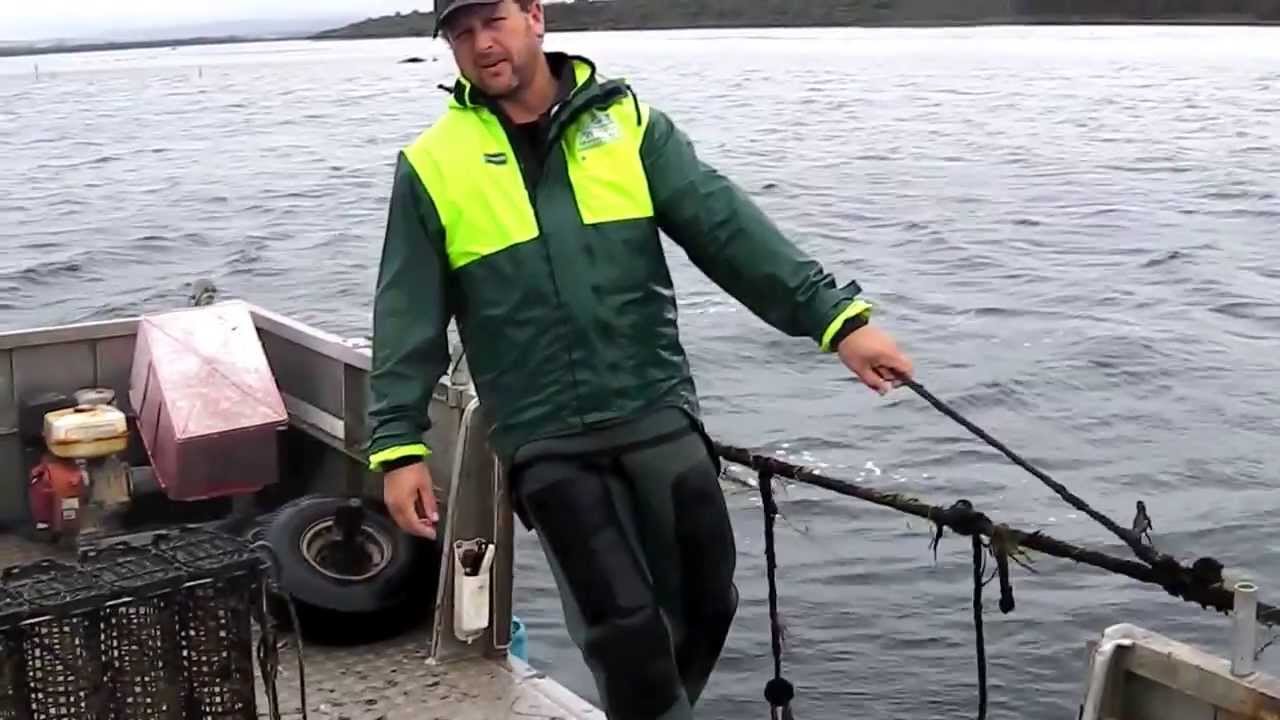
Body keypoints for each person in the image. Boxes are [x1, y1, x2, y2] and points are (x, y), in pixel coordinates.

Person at [365, 1, 915, 717]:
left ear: (534, 15)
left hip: (654, 408)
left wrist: (838, 322)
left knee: (709, 601)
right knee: (623, 629)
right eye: (460, 33)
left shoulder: (627, 127)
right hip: (546, 435)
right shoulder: (432, 166)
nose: (481, 44)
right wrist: (398, 445)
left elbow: (729, 232)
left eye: (492, 20)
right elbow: (405, 313)